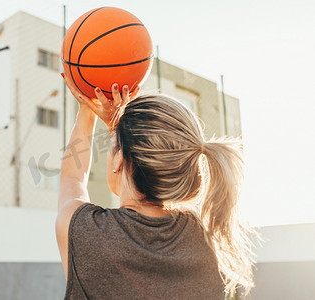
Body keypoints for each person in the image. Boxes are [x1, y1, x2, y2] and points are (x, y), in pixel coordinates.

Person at [56, 73, 255, 300]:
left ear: (119, 158)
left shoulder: (88, 234)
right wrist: (122, 135)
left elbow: (72, 180)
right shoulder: (209, 241)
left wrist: (86, 110)